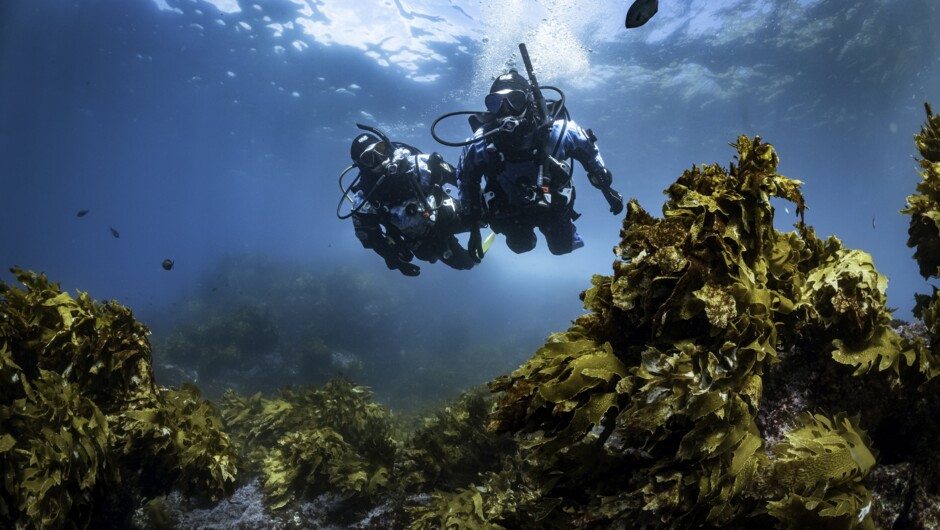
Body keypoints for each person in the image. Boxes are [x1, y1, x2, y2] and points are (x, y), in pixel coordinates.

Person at [456, 69, 623, 261]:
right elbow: (466, 180)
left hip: (553, 205)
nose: (506, 110)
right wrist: (474, 228)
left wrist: (606, 187)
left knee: (562, 247)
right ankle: (523, 236)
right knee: (520, 246)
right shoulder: (480, 144)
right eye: (496, 103)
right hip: (511, 211)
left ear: (528, 101)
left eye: (515, 100)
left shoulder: (559, 132)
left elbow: (589, 152)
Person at [340, 128, 475, 276]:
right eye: (369, 158)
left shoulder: (417, 164)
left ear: (386, 146)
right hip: (425, 239)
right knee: (465, 264)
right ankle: (466, 257)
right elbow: (372, 238)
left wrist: (479, 202)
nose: (379, 158)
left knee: (490, 213)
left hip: (449, 213)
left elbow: (459, 178)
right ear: (361, 165)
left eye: (380, 149)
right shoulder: (365, 198)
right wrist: (395, 261)